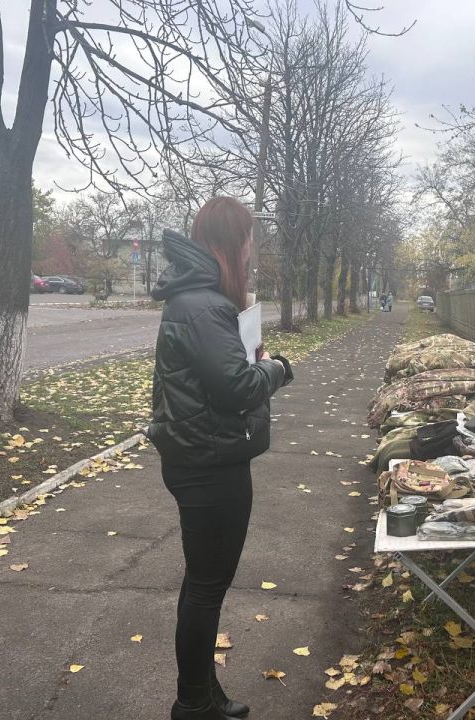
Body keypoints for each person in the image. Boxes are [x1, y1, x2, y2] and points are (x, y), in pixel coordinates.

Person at [147, 197, 293, 719]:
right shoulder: (204, 304)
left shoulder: (199, 299)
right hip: (208, 465)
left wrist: (248, 358)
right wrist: (276, 368)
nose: (254, 248)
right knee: (207, 589)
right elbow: (235, 388)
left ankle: (204, 694)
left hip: (204, 456)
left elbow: (218, 376)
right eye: (250, 237)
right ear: (233, 242)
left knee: (203, 584)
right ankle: (192, 704)